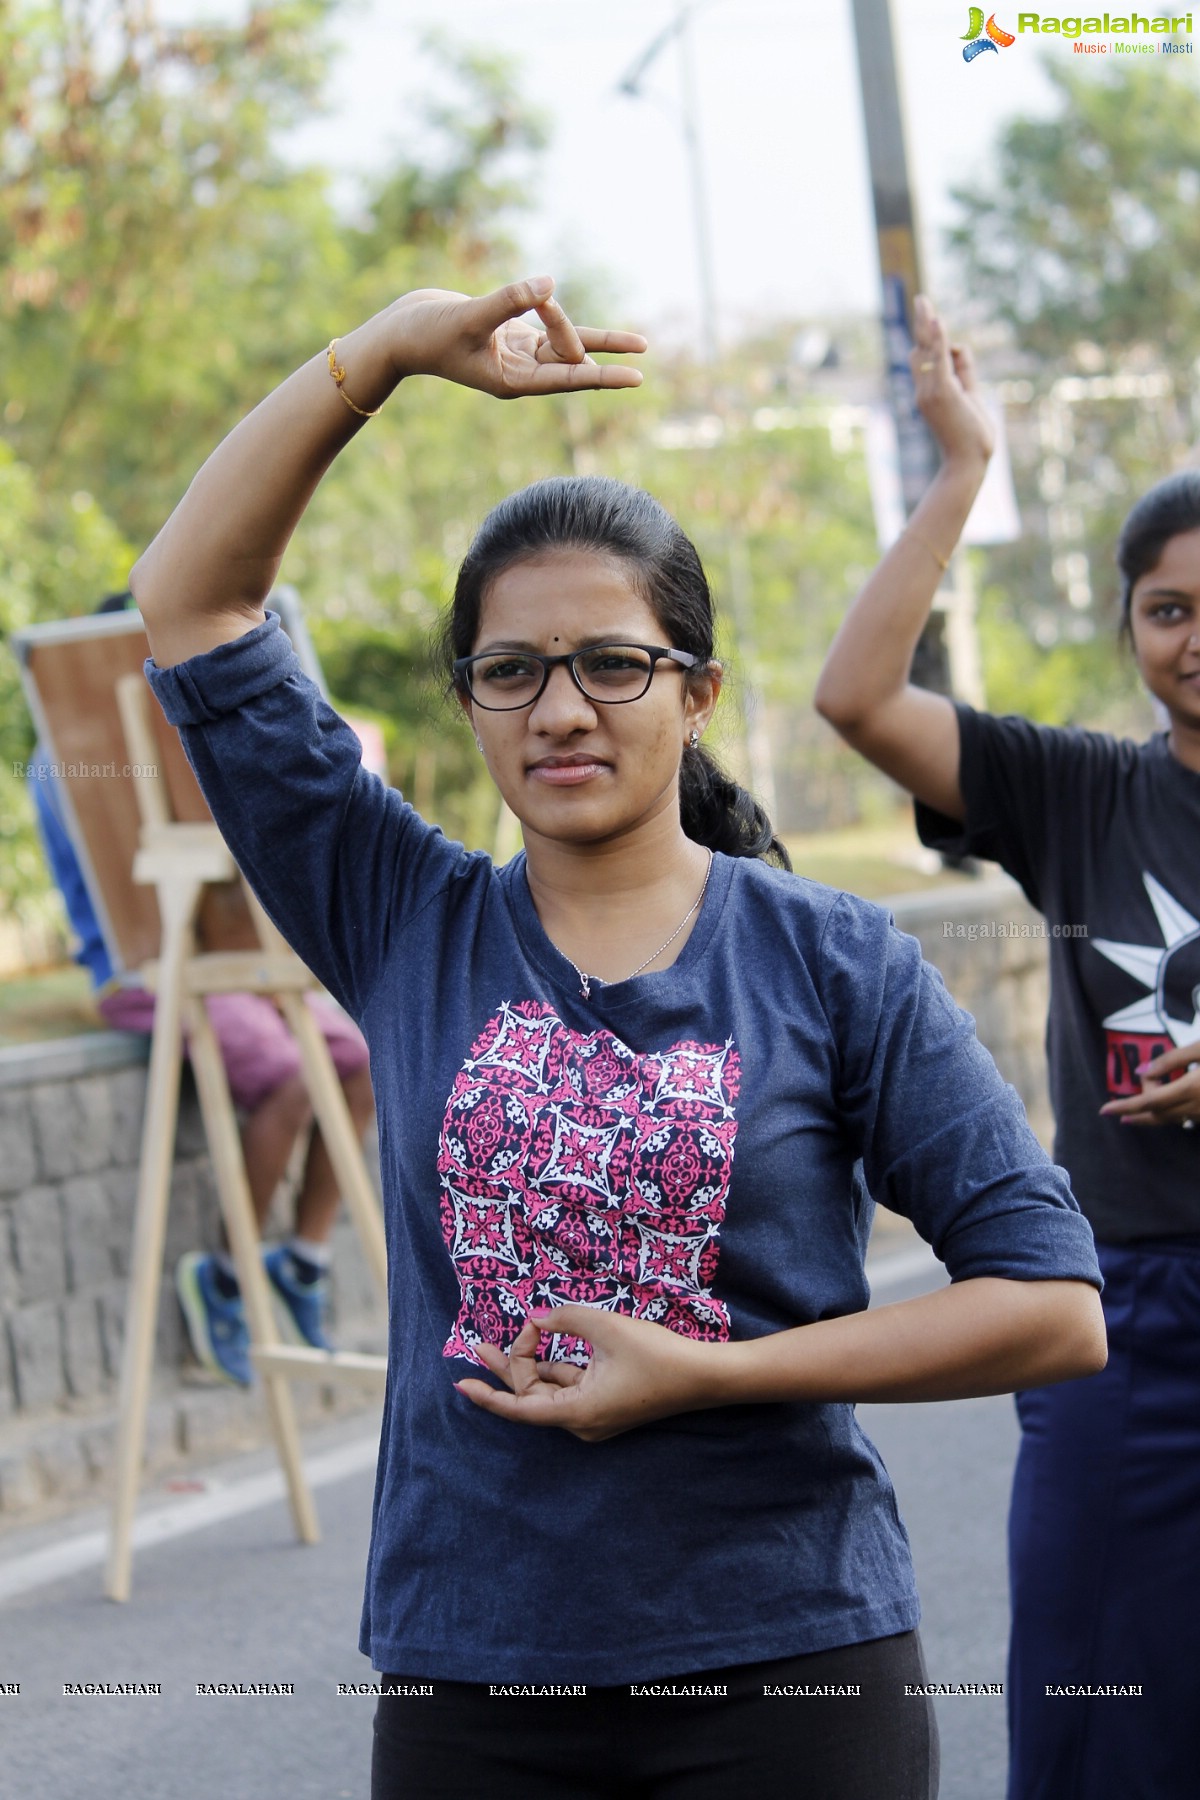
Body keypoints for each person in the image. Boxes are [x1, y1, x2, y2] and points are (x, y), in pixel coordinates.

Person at [129, 276, 1105, 1800]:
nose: (559, 709)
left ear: (697, 693)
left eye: (612, 663)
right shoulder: (404, 918)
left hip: (789, 1666)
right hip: (477, 1667)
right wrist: (383, 348)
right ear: (469, 704)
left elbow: (1052, 1303)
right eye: (509, 672)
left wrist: (707, 1374)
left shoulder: (831, 956)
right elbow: (190, 603)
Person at [814, 297, 1200, 1800]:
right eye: (1167, 608)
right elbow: (856, 697)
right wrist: (963, 470)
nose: (1195, 637)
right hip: (1127, 1318)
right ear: (1129, 630)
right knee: (1098, 1702)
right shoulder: (1082, 793)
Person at [28, 596, 376, 1384]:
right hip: (144, 968)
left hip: (231, 960)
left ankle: (303, 1263)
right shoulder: (72, 761)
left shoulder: (182, 740)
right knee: (289, 1077)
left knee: (358, 1058)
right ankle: (225, 1273)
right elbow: (138, 903)